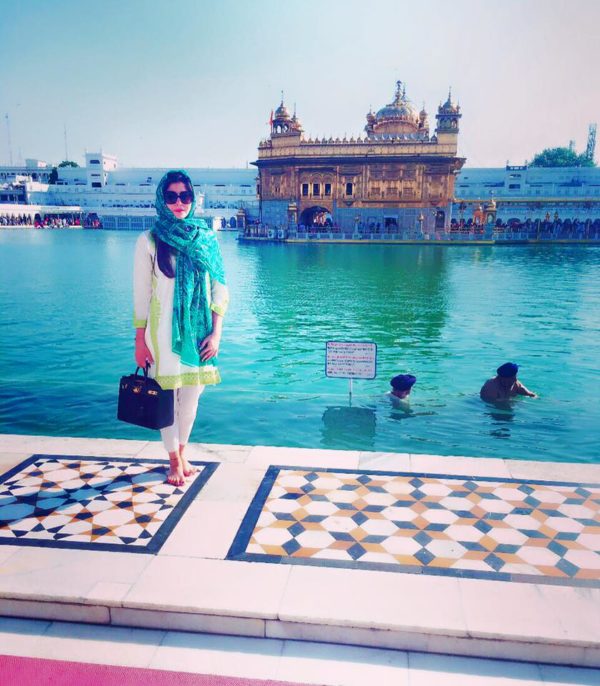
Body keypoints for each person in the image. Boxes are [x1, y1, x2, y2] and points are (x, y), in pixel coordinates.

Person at [133, 170, 229, 486]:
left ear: (193, 199)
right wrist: (140, 341)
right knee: (165, 398)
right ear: (162, 199)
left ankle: (182, 452)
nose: (179, 203)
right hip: (161, 334)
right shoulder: (149, 240)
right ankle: (173, 460)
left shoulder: (206, 238)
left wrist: (216, 333)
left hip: (199, 334)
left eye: (184, 196)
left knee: (191, 398)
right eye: (172, 196)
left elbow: (220, 288)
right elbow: (141, 294)